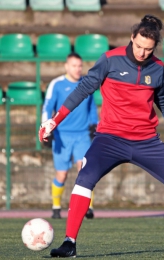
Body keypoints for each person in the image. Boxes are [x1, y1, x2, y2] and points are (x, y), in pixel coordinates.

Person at [39, 15, 164, 257]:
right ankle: (69, 243)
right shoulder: (110, 60)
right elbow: (82, 90)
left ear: (155, 48)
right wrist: (54, 121)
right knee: (84, 178)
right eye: (139, 45)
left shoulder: (158, 67)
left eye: (148, 49)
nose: (142, 52)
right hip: (109, 139)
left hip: (146, 142)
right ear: (132, 38)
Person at [42, 52, 98, 219]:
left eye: (80, 65)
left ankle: (88, 208)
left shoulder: (86, 83)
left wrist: (94, 125)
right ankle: (56, 207)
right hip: (62, 136)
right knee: (62, 174)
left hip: (82, 136)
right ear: (66, 66)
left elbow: (92, 108)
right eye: (74, 65)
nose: (78, 69)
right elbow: (47, 107)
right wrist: (46, 128)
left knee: (85, 171)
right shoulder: (56, 84)